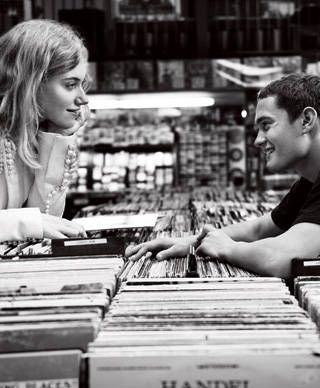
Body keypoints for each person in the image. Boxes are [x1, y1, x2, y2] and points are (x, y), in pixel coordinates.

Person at [126, 73, 320, 279]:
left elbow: (284, 258)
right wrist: (192, 241)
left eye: (266, 125)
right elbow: (262, 228)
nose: (257, 140)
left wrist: (227, 248)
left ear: (306, 120)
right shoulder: (309, 181)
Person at [0, 19, 90, 242]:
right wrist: (30, 223)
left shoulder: (27, 138)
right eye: (70, 85)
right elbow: (38, 224)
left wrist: (59, 139)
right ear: (32, 83)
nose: (83, 98)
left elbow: (45, 223)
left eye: (82, 84)